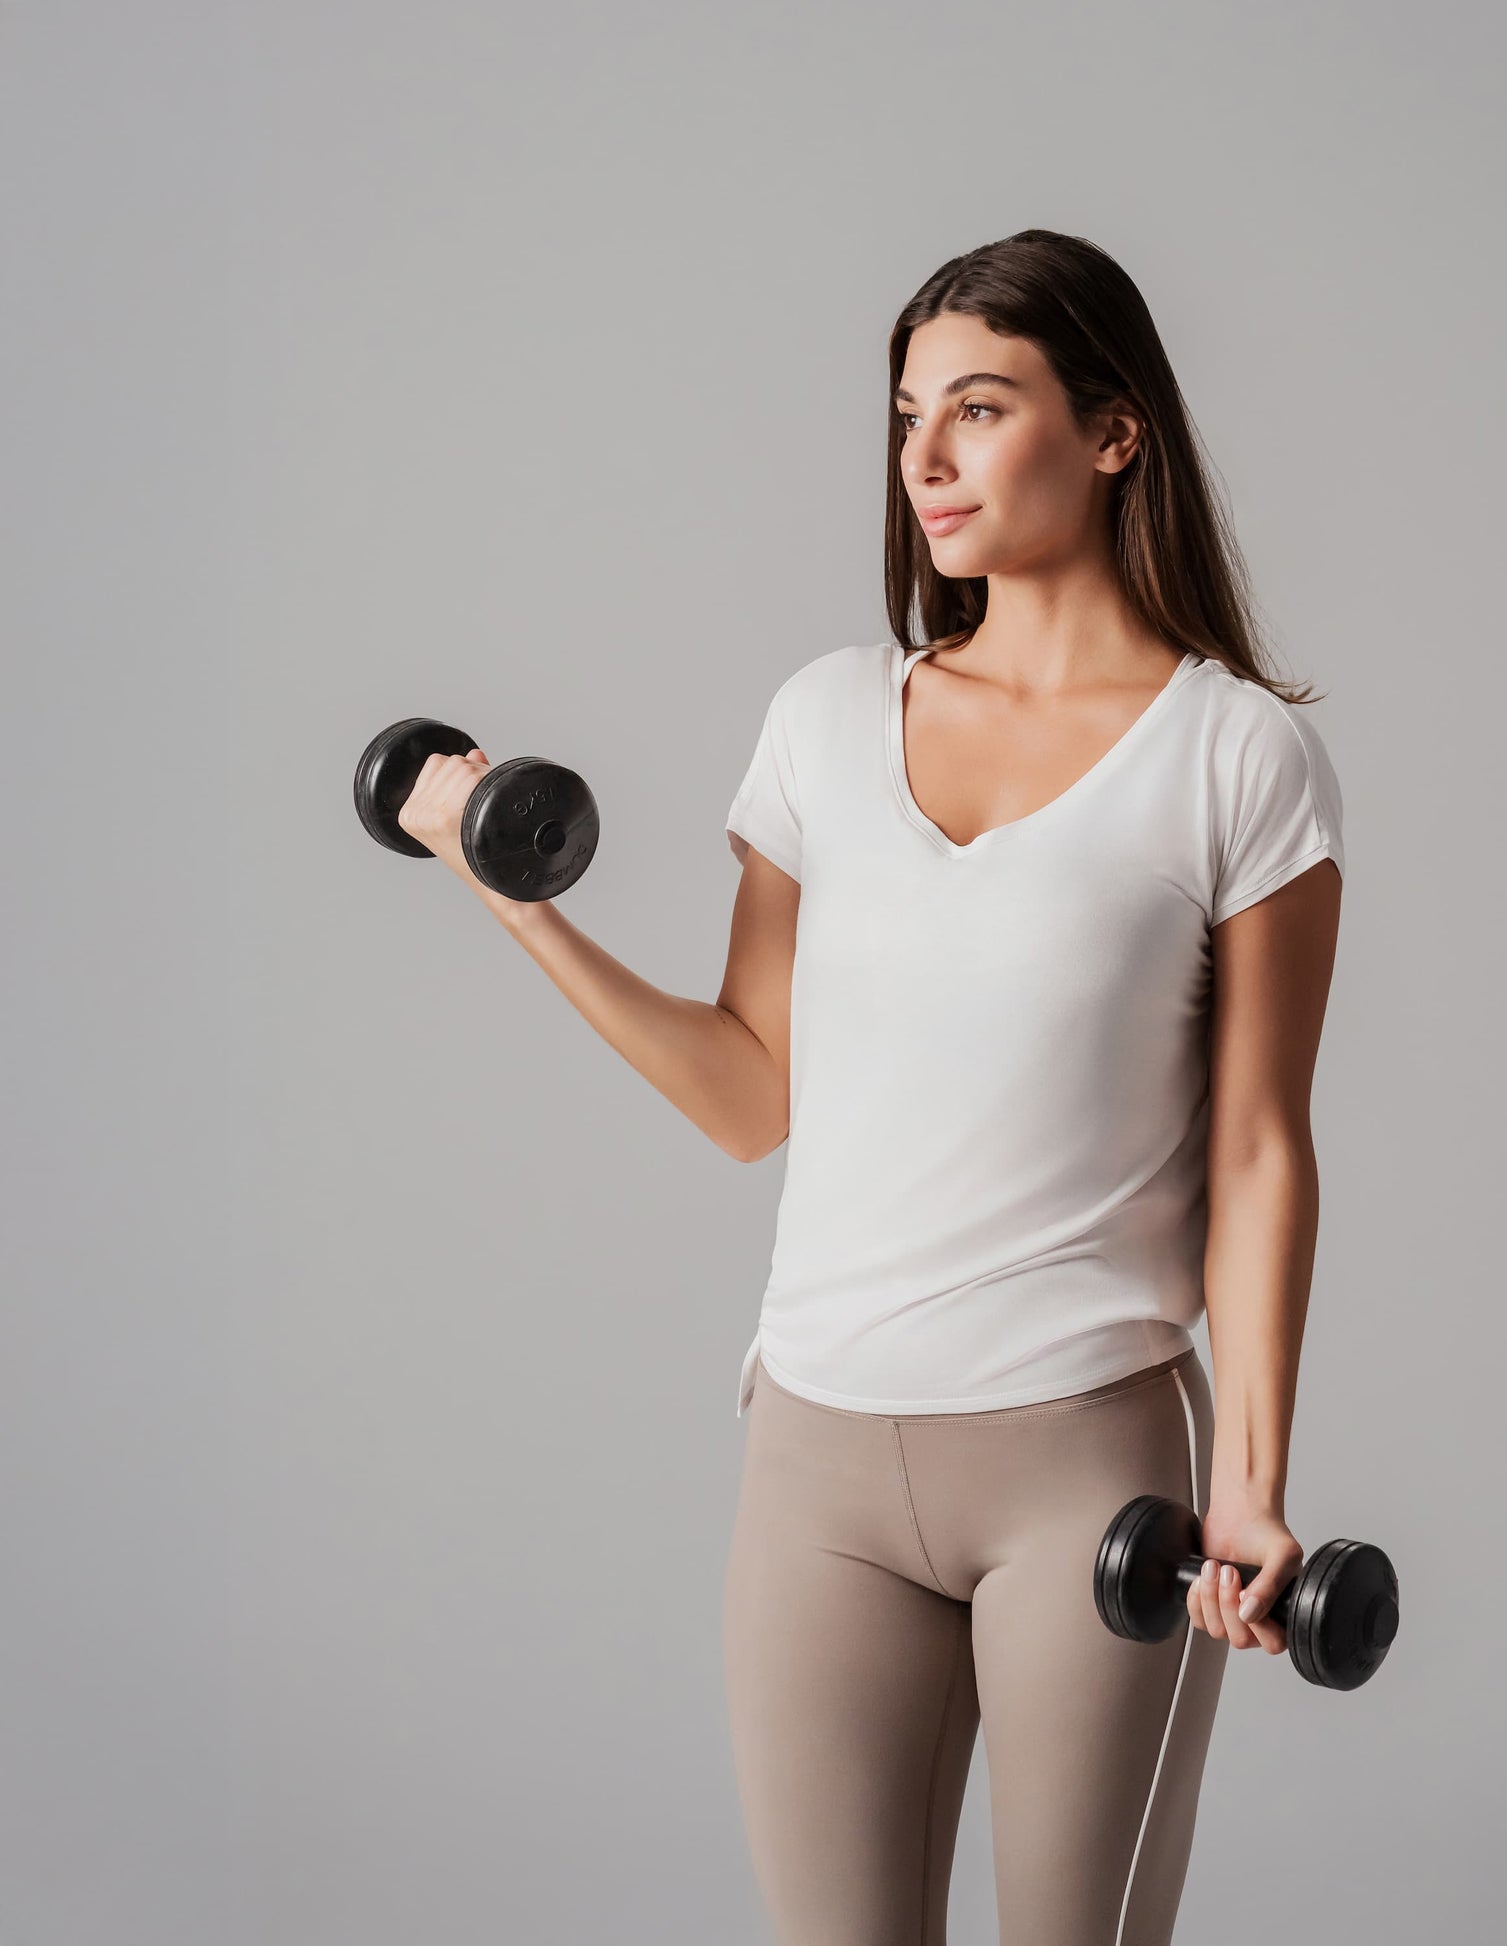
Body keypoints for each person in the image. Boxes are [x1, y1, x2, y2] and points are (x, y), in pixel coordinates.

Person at [397, 228, 1345, 1946]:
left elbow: (1263, 1148)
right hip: (816, 1465)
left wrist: (1255, 1484)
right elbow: (747, 1093)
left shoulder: (1233, 755)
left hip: (1087, 1464)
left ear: (1111, 430)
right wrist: (513, 899)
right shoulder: (825, 719)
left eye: (977, 408)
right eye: (908, 414)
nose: (924, 458)